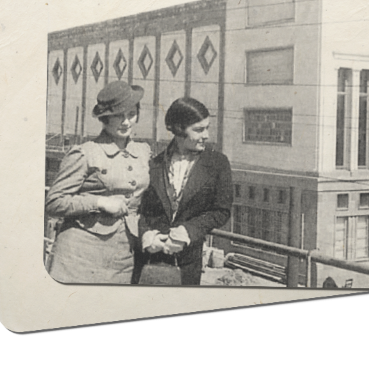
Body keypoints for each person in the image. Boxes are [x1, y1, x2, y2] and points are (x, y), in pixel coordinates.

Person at [45, 81, 151, 284]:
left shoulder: (143, 152)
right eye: (118, 116)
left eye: (131, 114)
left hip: (123, 256)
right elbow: (54, 202)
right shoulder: (85, 153)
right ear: (105, 118)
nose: (126, 122)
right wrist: (99, 202)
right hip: (79, 256)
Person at [135, 97, 233, 285]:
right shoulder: (154, 164)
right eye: (199, 130)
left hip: (188, 263)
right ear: (179, 129)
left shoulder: (218, 163)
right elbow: (141, 209)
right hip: (150, 259)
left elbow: (221, 211)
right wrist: (147, 236)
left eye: (207, 128)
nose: (206, 135)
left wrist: (189, 231)